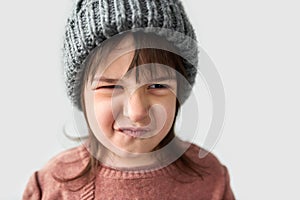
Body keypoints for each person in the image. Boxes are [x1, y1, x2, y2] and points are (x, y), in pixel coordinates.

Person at [23, 0, 235, 199]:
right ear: (82, 94)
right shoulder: (52, 185)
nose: (136, 112)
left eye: (157, 86)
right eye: (111, 87)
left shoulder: (210, 178)